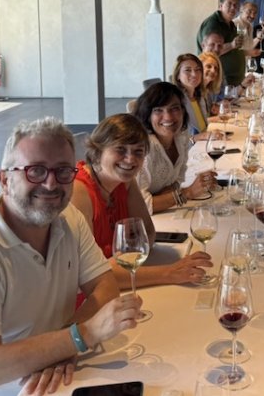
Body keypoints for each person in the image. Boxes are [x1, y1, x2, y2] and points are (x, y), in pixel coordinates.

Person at [0, 117, 141, 396]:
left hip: (43, 381)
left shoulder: (69, 219)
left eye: (63, 171)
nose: (51, 184)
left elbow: (106, 286)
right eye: (35, 171)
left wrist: (62, 345)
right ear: (5, 180)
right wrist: (81, 336)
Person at [70, 114, 213, 288]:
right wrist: (170, 273)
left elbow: (147, 235)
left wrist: (118, 265)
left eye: (138, 151)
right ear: (98, 151)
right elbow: (88, 273)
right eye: (120, 150)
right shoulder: (78, 191)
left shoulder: (125, 182)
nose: (130, 159)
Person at [133, 82, 218, 214]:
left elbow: (178, 179)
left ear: (183, 111)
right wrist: (187, 193)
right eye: (158, 110)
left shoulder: (180, 137)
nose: (168, 117)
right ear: (148, 115)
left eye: (174, 108)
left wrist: (163, 195)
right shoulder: (144, 150)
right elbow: (140, 205)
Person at [196, 0, 246, 87]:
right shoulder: (213, 24)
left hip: (233, 81)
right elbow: (209, 52)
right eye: (229, 4)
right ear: (220, 6)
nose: (233, 8)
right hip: (218, 80)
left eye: (235, 5)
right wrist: (232, 45)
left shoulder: (231, 24)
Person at [173, 53, 209, 138]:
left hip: (203, 144)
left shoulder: (199, 97)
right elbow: (174, 140)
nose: (194, 74)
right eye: (188, 70)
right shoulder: (176, 101)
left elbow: (203, 129)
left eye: (197, 69)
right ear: (178, 75)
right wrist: (199, 138)